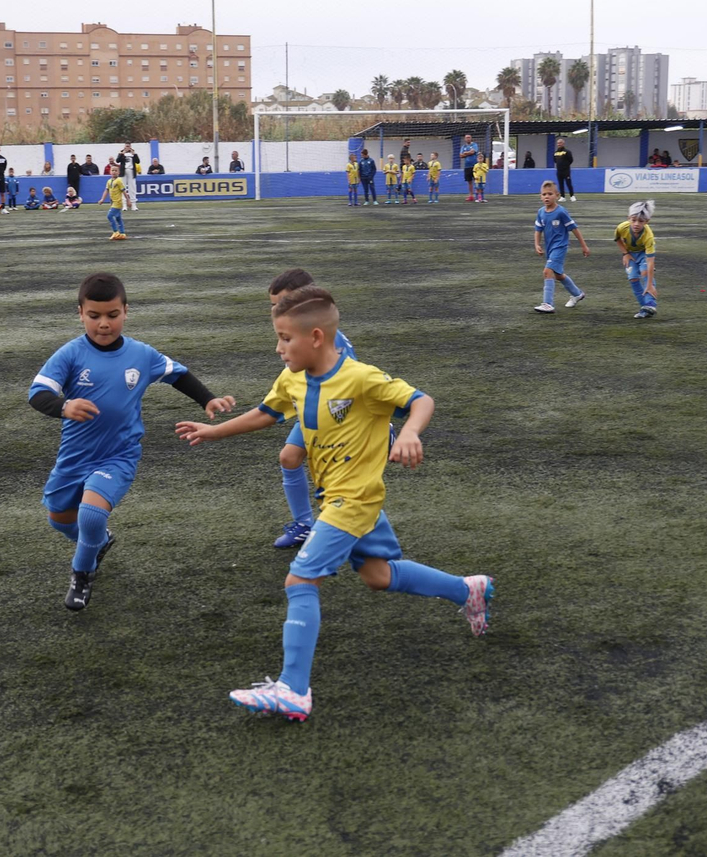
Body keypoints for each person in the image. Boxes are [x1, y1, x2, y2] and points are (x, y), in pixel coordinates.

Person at [174, 285, 494, 721]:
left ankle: (293, 689)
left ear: (317, 337)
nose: (278, 348)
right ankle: (468, 590)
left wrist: (412, 432)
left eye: (286, 338)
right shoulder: (293, 379)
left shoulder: (360, 378)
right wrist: (212, 431)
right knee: (378, 576)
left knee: (300, 581)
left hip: (355, 499)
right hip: (335, 499)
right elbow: (266, 414)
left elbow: (420, 400)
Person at [31, 273, 234, 611]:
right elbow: (38, 394)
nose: (104, 324)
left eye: (112, 315)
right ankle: (98, 544)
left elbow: (177, 374)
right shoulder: (69, 354)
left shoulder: (141, 354)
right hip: (75, 456)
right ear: (80, 313)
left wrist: (207, 400)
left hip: (119, 455)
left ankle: (82, 574)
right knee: (59, 519)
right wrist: (64, 406)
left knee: (91, 516)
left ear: (126, 311)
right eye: (94, 316)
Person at [262, 268, 360, 549]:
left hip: (332, 418)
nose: (277, 309)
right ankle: (305, 525)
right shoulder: (294, 332)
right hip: (310, 411)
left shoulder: (332, 342)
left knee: (338, 481)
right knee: (289, 458)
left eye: (283, 302)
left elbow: (348, 387)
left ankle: (341, 528)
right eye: (273, 304)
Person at [533, 180, 590, 314]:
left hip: (560, 247)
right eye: (544, 194)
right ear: (540, 196)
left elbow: (574, 229)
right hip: (550, 248)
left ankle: (548, 304)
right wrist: (537, 244)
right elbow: (538, 229)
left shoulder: (561, 212)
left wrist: (584, 246)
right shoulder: (541, 212)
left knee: (547, 272)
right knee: (558, 275)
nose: (547, 197)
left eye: (550, 194)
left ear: (557, 195)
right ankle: (577, 294)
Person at [615, 199, 659, 319]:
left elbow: (650, 262)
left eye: (641, 221)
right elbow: (618, 239)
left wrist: (649, 284)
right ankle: (644, 308)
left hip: (644, 253)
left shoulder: (648, 236)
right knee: (633, 278)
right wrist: (625, 254)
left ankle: (650, 303)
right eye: (633, 220)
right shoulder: (621, 227)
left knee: (645, 272)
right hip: (630, 254)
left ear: (647, 221)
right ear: (628, 218)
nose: (636, 224)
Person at [97, 163, 128, 240]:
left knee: (109, 216)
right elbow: (106, 191)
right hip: (113, 202)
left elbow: (124, 191)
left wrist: (128, 201)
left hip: (118, 202)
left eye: (116, 170)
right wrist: (102, 199)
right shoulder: (109, 181)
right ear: (110, 172)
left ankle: (115, 232)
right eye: (112, 170)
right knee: (118, 218)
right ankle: (122, 233)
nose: (114, 172)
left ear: (118, 172)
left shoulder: (119, 181)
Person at [115, 143, 140, 211]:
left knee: (132, 188)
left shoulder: (133, 153)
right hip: (123, 171)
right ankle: (124, 205)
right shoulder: (121, 152)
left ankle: (133, 205)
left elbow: (138, 161)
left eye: (128, 146)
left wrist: (134, 154)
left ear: (130, 147)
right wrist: (122, 154)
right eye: (126, 146)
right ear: (124, 146)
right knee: (123, 188)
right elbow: (117, 160)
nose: (127, 147)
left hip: (131, 171)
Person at [459, 134, 480, 200]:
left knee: (477, 180)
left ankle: (478, 195)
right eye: (466, 138)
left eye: (469, 137)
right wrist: (468, 153)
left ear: (471, 138)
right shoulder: (463, 146)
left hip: (475, 166)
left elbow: (473, 152)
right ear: (465, 139)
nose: (468, 139)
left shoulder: (474, 145)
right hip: (467, 166)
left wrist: (466, 153)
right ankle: (471, 195)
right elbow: (461, 155)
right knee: (469, 181)